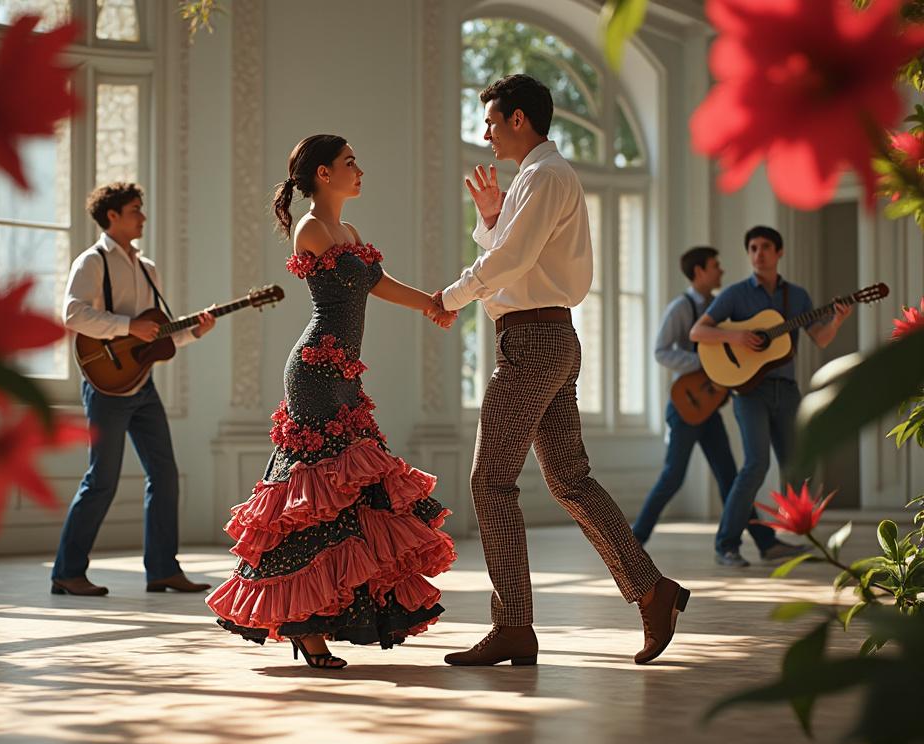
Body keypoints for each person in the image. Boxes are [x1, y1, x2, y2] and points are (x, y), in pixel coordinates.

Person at [435, 74, 688, 667]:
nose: (487, 134)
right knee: (569, 480)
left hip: (533, 343)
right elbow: (517, 254)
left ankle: (514, 626)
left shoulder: (546, 176)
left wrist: (449, 298)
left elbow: (513, 259)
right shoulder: (538, 177)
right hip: (546, 338)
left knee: (490, 482)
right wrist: (491, 218)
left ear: (519, 119)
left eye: (492, 122)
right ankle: (652, 591)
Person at [206, 135, 458, 669]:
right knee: (312, 497)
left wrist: (431, 304)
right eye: (350, 162)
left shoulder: (349, 232)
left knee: (352, 494)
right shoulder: (312, 228)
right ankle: (307, 626)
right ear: (323, 173)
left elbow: (378, 283)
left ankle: (331, 613)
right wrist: (431, 305)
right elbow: (357, 286)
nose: (359, 170)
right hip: (315, 372)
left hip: (343, 375)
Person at [52, 182, 216, 597]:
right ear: (112, 216)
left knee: (164, 475)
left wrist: (194, 331)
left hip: (143, 386)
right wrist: (127, 326)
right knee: (101, 480)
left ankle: (162, 570)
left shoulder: (148, 268)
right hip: (105, 388)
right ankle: (67, 572)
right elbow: (73, 314)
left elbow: (155, 336)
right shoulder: (92, 261)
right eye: (135, 210)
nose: (143, 216)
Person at [691, 226, 853, 567]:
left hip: (787, 391)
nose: (758, 253)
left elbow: (820, 338)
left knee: (798, 464)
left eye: (765, 247)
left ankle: (780, 541)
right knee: (756, 465)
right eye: (753, 248)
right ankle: (726, 545)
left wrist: (837, 320)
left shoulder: (797, 296)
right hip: (749, 392)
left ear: (779, 252)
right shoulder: (736, 294)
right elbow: (698, 331)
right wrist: (736, 338)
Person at [632, 246, 806, 562]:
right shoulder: (681, 307)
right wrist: (704, 364)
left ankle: (765, 544)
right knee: (673, 477)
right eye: (715, 265)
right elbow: (661, 351)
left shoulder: (719, 309)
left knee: (730, 477)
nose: (721, 271)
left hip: (710, 407)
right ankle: (632, 541)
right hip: (687, 405)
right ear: (699, 271)